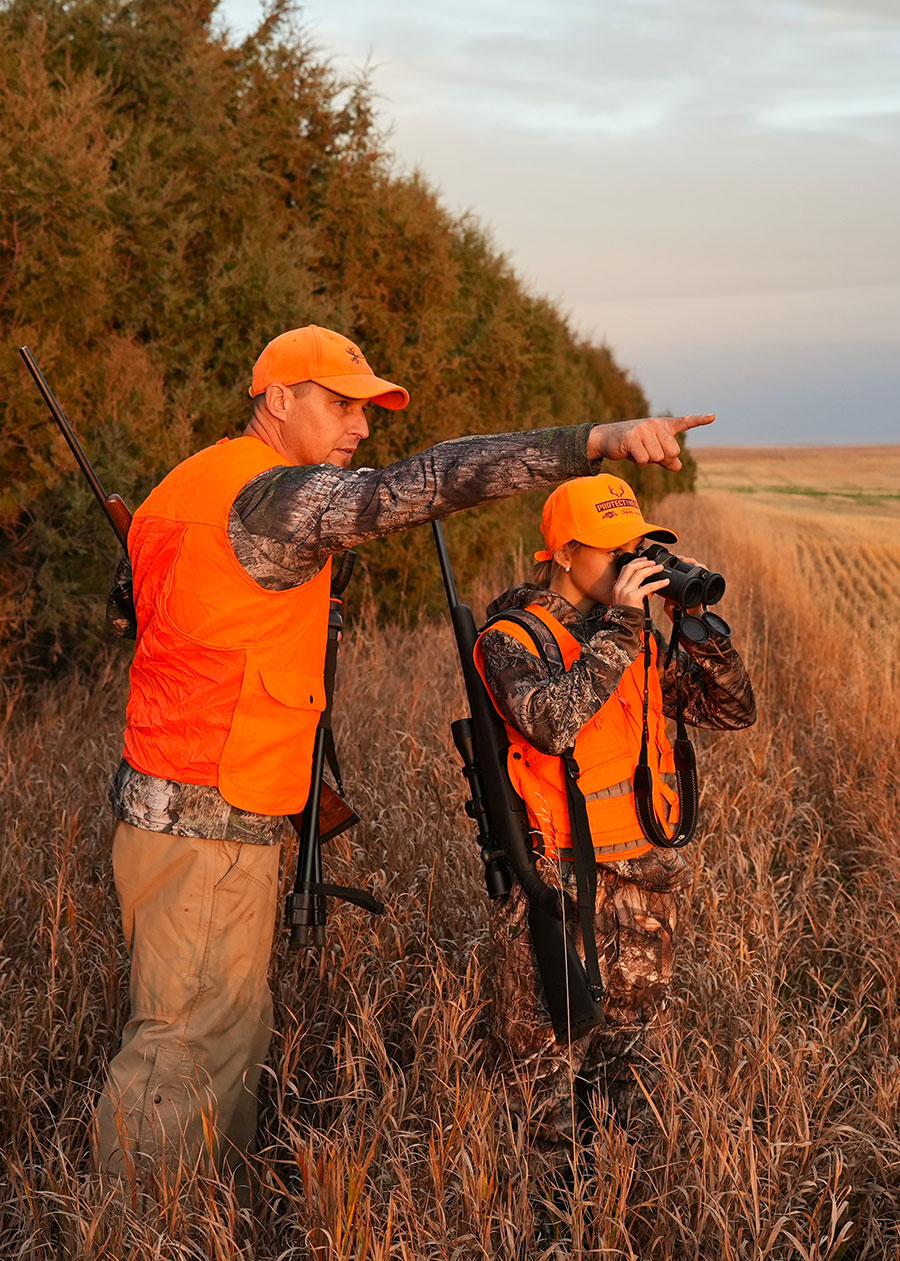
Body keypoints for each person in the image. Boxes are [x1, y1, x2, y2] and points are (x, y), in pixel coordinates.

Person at [93, 323, 716, 1190]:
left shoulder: (181, 488)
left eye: (368, 408)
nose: (360, 425)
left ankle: (196, 1219)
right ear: (277, 399)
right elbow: (415, 486)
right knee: (183, 1044)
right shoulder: (271, 497)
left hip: (185, 804)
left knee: (224, 1028)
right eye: (341, 403)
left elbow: (143, 611)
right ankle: (135, 1234)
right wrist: (590, 443)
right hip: (208, 813)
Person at [474, 472, 755, 1141]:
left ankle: (616, 1221)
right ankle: (546, 1232)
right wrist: (625, 626)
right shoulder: (512, 638)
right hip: (564, 888)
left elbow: (732, 709)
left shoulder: (636, 640)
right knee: (541, 1096)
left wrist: (697, 628)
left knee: (628, 1086)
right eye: (614, 549)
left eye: (639, 548)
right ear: (564, 553)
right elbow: (552, 722)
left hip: (646, 885)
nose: (633, 563)